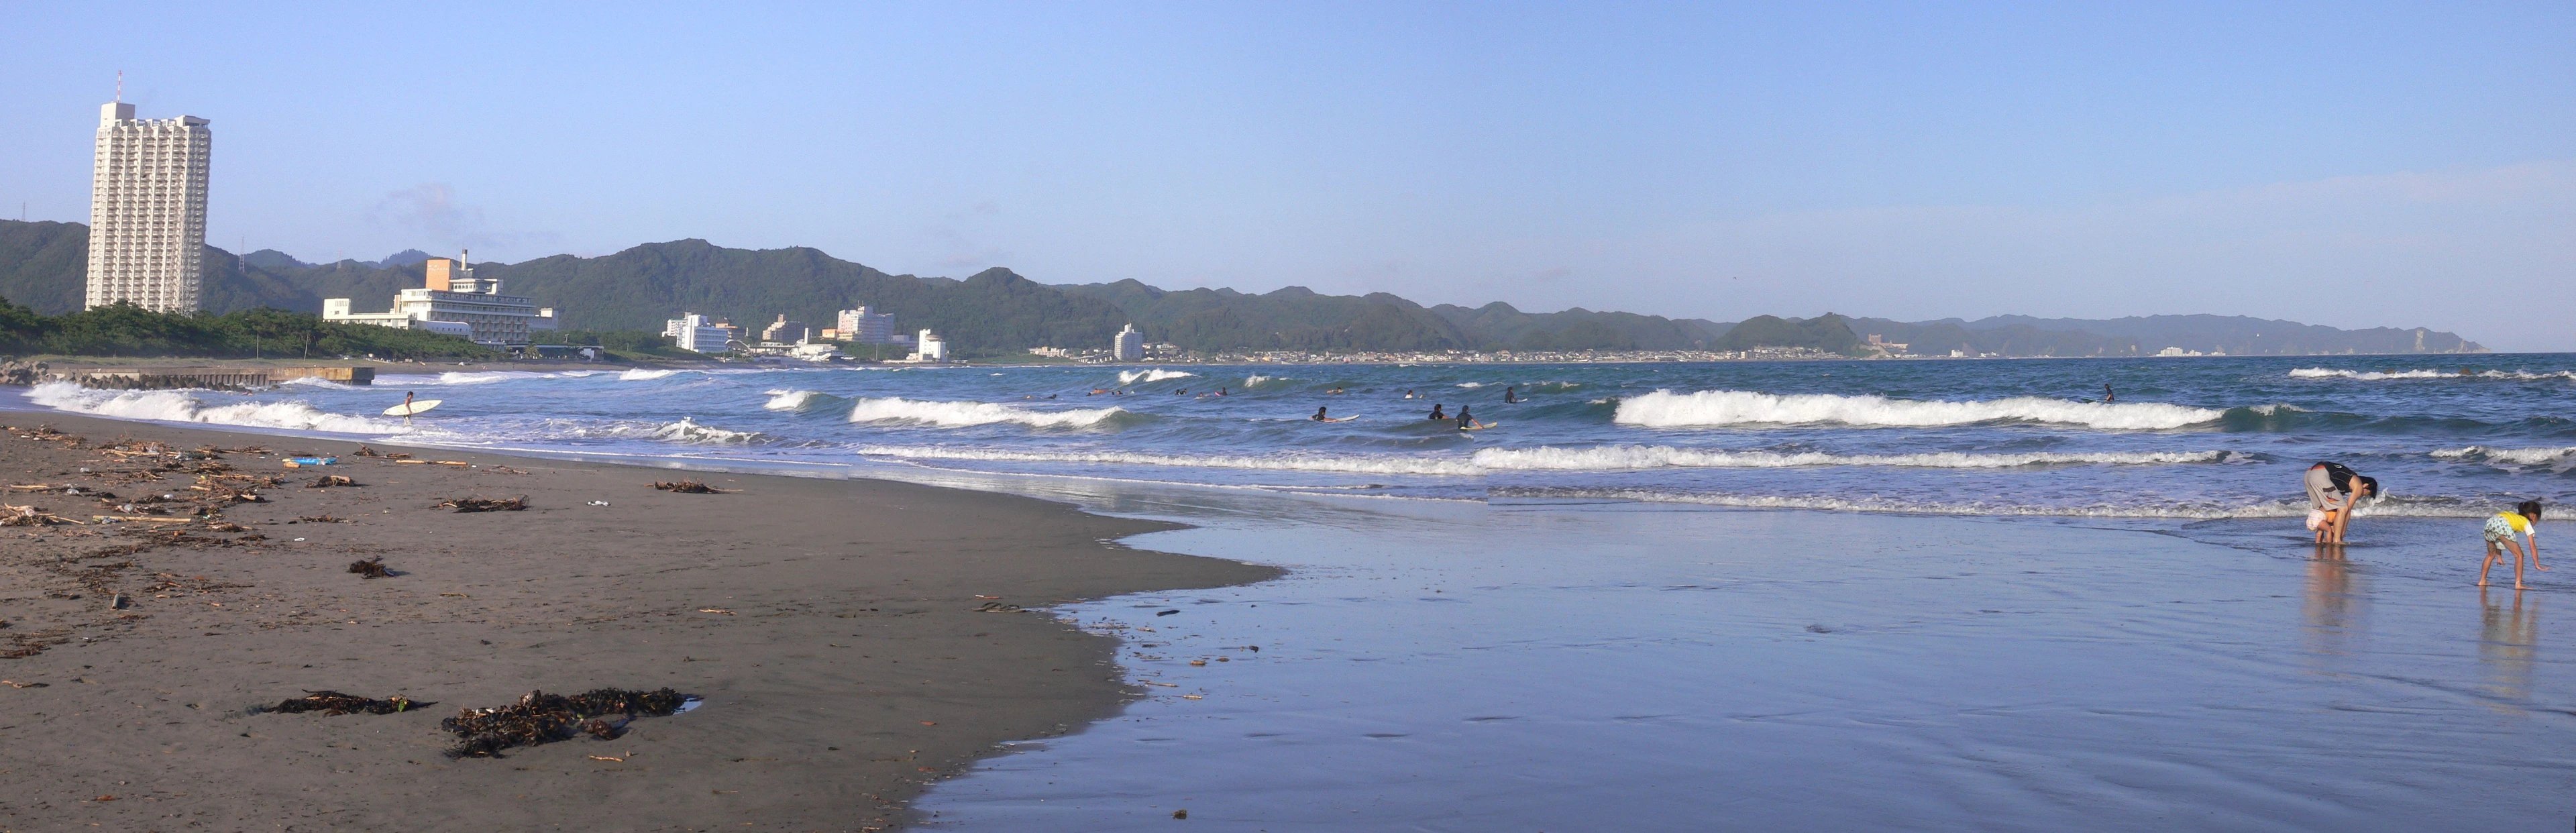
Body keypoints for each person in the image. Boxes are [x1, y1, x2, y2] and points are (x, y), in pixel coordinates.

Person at [2304, 462, 2378, 544]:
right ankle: (2337, 540)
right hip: (2321, 474)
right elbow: (2347, 511)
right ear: (2365, 486)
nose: (2361, 496)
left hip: (2309, 474)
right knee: (2343, 508)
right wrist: (2342, 535)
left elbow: (2334, 508)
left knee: (2324, 510)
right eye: (2365, 494)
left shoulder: (2344, 482)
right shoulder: (2358, 485)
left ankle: (2321, 539)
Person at [2480, 500, 2546, 590]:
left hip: (2489, 524)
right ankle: (2518, 584)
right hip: (2501, 525)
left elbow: (2498, 535)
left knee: (2490, 555)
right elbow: (2532, 546)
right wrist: (2537, 564)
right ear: (2533, 515)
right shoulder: (2526, 522)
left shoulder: (2512, 516)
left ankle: (2482, 580)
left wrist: (2499, 556)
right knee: (2519, 555)